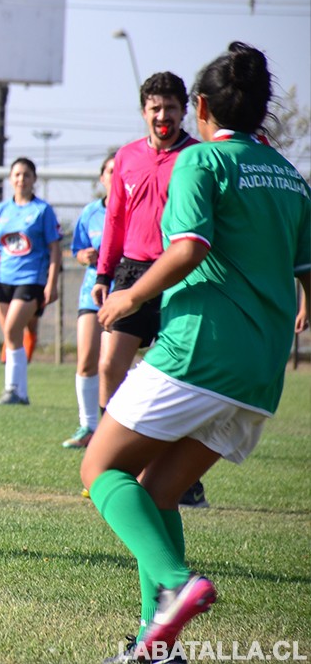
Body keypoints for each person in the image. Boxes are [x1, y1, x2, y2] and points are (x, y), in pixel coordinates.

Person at [82, 42, 311, 663]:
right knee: (157, 493)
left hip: (200, 351)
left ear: (200, 106)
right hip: (261, 374)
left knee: (100, 470)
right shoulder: (291, 178)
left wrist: (128, 298)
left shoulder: (200, 163)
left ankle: (177, 587)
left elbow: (188, 249)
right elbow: (306, 270)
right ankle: (153, 649)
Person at [91, 72, 209, 509]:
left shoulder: (198, 158)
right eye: (155, 108)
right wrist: (104, 275)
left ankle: (185, 478)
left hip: (183, 273)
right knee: (109, 366)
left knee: (182, 380)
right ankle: (111, 459)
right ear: (144, 112)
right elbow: (115, 221)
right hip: (131, 272)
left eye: (171, 108)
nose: (163, 116)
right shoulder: (126, 158)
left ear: (186, 111)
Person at [0, 157, 62, 405]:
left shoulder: (42, 210)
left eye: (26, 175)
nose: (21, 179)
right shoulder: (2, 210)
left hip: (31, 279)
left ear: (34, 179)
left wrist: (52, 282)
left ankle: (12, 389)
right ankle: (21, 393)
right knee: (11, 336)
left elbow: (54, 248)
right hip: (4, 280)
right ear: (10, 179)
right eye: (17, 175)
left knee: (11, 329)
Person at [63, 156, 115, 448]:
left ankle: (113, 429)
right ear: (102, 178)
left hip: (122, 294)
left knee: (111, 364)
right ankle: (87, 427)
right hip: (91, 293)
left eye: (120, 170)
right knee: (86, 360)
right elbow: (77, 250)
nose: (114, 175)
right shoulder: (90, 213)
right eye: (109, 170)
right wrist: (84, 256)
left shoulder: (132, 211)